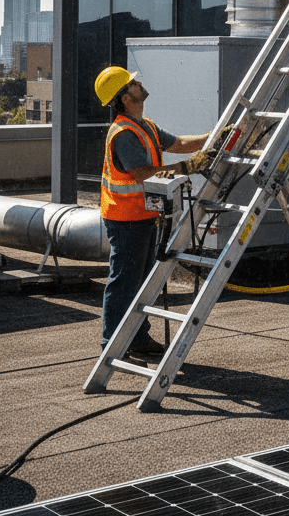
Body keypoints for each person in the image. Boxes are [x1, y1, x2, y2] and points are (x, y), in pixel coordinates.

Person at [94, 65, 213, 360]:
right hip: (126, 219)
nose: (139, 84)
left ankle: (137, 337)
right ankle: (112, 342)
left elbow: (180, 143)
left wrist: (214, 137)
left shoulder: (144, 125)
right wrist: (186, 168)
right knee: (125, 280)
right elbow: (142, 173)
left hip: (143, 215)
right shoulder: (124, 134)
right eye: (133, 83)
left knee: (143, 281)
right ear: (126, 98)